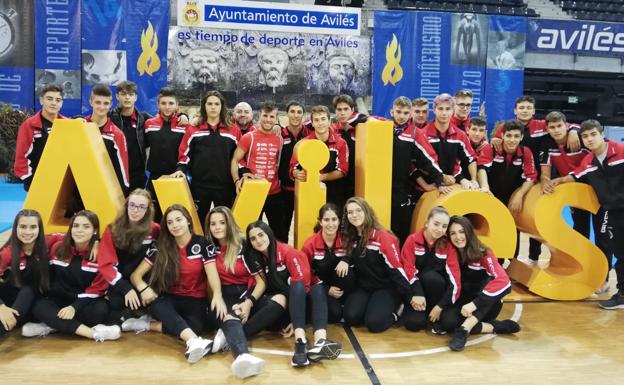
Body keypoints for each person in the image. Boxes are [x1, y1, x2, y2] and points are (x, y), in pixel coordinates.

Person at [128, 205, 221, 363]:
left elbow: (212, 275)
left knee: (196, 327)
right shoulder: (160, 245)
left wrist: (217, 295)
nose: (175, 225)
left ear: (188, 221)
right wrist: (144, 289)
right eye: (170, 222)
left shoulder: (203, 243)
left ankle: (148, 325)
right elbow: (135, 275)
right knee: (157, 304)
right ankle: (193, 341)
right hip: (169, 298)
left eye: (179, 220)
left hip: (195, 299)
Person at [491, 96, 579, 263]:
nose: (525, 110)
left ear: (533, 111)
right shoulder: (504, 127)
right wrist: (494, 140)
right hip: (513, 179)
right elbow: (496, 144)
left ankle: (533, 257)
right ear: (515, 110)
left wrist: (574, 130)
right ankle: (507, 256)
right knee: (512, 217)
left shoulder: (542, 126)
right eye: (521, 107)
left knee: (535, 218)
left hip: (538, 179)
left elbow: (563, 125)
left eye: (528, 107)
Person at [246, 220, 340, 367]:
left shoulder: (288, 252)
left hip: (299, 305)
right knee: (300, 290)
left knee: (314, 287)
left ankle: (313, 342)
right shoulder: (254, 258)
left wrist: (294, 319)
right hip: (279, 309)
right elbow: (256, 286)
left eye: (260, 235)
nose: (258, 240)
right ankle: (302, 341)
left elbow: (303, 287)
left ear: (269, 234)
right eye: (253, 238)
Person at [552, 120, 624, 310]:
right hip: (612, 211)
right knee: (619, 251)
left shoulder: (621, 151)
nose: (589, 139)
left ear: (602, 134)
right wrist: (556, 182)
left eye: (593, 134)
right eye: (585, 136)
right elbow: (574, 176)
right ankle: (622, 293)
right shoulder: (588, 161)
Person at [540, 112, 611, 294]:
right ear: (547, 129)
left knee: (603, 237)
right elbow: (546, 173)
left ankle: (604, 278)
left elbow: (585, 168)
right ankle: (583, 272)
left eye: (560, 126)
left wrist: (574, 130)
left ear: (567, 125)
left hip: (600, 196)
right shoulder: (548, 145)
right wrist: (546, 181)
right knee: (580, 234)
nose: (556, 130)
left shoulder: (582, 139)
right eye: (552, 127)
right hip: (576, 196)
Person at [25, 210, 121, 341]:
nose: (79, 230)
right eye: (76, 226)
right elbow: (45, 238)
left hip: (84, 303)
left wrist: (74, 307)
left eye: (86, 226)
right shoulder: (57, 248)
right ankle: (93, 333)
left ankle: (53, 325)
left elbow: (98, 289)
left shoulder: (100, 254)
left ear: (95, 230)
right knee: (39, 306)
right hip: (58, 301)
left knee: (101, 310)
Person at [442, 216, 520, 351]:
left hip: (486, 305)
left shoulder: (484, 253)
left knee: (490, 282)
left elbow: (504, 282)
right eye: (453, 233)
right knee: (447, 322)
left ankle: (464, 330)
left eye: (461, 232)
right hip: (464, 305)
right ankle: (494, 327)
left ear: (469, 232)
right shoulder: (451, 253)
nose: (458, 237)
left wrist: (475, 304)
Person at [204, 206, 266, 378]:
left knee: (234, 315)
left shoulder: (243, 245)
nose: (217, 227)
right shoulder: (208, 247)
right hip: (223, 293)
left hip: (248, 292)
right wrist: (215, 298)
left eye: (222, 223)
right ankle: (242, 356)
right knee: (225, 314)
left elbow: (261, 282)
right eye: (213, 224)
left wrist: (248, 301)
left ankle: (236, 347)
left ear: (229, 223)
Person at [341, 197, 413, 333]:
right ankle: (372, 307)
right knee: (350, 317)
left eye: (358, 210)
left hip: (385, 288)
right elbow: (348, 254)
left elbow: (397, 270)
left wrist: (410, 296)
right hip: (364, 288)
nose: (354, 215)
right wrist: (345, 259)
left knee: (374, 323)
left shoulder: (384, 238)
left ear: (367, 212)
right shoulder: (351, 237)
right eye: (350, 212)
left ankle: (397, 310)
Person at [172, 91, 241, 223]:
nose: (213, 107)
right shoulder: (193, 129)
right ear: (204, 106)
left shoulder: (234, 130)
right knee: (198, 222)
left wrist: (241, 175)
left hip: (225, 186)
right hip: (199, 186)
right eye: (209, 104)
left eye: (216, 104)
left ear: (222, 107)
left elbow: (239, 158)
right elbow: (184, 154)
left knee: (224, 223)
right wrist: (180, 169)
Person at [387, 97, 447, 245]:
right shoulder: (381, 127)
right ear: (392, 111)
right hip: (377, 189)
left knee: (399, 230)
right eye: (398, 112)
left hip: (401, 190)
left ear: (410, 114)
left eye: (406, 113)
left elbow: (429, 160)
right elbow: (362, 118)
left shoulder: (414, 134)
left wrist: (439, 181)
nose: (401, 116)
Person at [97, 189, 160, 324]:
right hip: (120, 283)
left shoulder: (155, 230)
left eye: (141, 207)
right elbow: (106, 265)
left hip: (144, 281)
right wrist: (126, 289)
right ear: (126, 206)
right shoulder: (112, 230)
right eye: (132, 205)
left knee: (156, 305)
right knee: (114, 308)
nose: (135, 210)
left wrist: (143, 287)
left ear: (148, 210)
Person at [478, 120, 537, 260]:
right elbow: (482, 169)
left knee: (512, 233)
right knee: (492, 232)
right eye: (509, 136)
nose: (512, 140)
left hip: (512, 201)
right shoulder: (491, 149)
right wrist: (485, 187)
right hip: (491, 198)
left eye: (516, 136)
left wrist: (519, 195)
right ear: (502, 136)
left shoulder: (525, 152)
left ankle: (511, 267)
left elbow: (531, 178)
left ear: (522, 137)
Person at [231, 101, 286, 242]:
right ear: (259, 116)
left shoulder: (279, 138)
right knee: (251, 233)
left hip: (274, 192)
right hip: (253, 191)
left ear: (276, 118)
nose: (268, 120)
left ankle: (277, 261)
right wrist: (237, 180)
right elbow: (235, 160)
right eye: (265, 116)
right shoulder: (249, 137)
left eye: (272, 117)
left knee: (278, 233)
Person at [400, 206, 461, 333]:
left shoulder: (448, 246)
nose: (440, 229)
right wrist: (416, 295)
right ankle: (414, 309)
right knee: (413, 324)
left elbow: (455, 280)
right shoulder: (412, 240)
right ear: (427, 223)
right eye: (436, 224)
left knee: (431, 277)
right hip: (416, 292)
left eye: (444, 226)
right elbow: (407, 270)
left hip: (438, 294)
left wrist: (440, 306)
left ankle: (434, 312)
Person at [0, 210, 53, 338]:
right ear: (15, 228)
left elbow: (76, 236)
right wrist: (1, 307)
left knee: (30, 291)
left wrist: (96, 242)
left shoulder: (49, 243)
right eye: (23, 227)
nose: (28, 232)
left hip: (32, 303)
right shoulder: (6, 254)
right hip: (9, 303)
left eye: (33, 227)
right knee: (28, 290)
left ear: (40, 229)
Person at [301, 203, 356, 323]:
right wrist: (327, 289)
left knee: (349, 274)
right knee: (334, 315)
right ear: (320, 222)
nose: (330, 224)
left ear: (339, 220)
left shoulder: (347, 239)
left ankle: (346, 302)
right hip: (322, 286)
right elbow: (305, 273)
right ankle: (334, 306)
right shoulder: (309, 245)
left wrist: (346, 259)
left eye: (334, 219)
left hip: (343, 286)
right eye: (326, 220)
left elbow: (356, 254)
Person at [291, 105, 349, 209]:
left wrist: (322, 177)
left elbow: (343, 170)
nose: (320, 123)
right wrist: (296, 173)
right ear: (312, 123)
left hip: (334, 195)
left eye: (323, 119)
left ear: (329, 121)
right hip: (309, 194)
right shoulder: (303, 144)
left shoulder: (341, 143)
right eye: (316, 120)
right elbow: (292, 167)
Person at [144, 88, 189, 220]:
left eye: (171, 103)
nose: (167, 107)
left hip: (175, 176)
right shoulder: (149, 124)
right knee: (152, 215)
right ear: (158, 104)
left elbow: (187, 151)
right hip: (154, 177)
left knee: (175, 215)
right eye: (163, 103)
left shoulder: (184, 126)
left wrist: (184, 115)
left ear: (177, 106)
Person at [421, 93, 479, 190]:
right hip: (428, 186)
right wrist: (441, 177)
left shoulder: (460, 135)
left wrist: (473, 179)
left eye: (448, 109)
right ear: (434, 110)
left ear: (453, 111)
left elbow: (471, 159)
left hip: (452, 184)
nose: (444, 113)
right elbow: (420, 164)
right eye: (440, 109)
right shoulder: (423, 134)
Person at [14, 84, 64, 191]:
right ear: (41, 100)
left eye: (58, 100)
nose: (54, 103)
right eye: (49, 99)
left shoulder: (68, 125)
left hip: (62, 183)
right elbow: (21, 155)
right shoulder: (29, 125)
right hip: (36, 183)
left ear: (61, 103)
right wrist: (28, 179)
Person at [85, 84, 130, 196]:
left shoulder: (116, 134)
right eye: (98, 102)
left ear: (111, 104)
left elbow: (123, 172)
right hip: (79, 191)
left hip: (105, 194)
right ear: (91, 102)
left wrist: (122, 197)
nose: (101, 107)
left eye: (106, 103)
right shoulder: (80, 126)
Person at [109, 81, 152, 191]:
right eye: (123, 94)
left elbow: (163, 120)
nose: (127, 98)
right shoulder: (109, 117)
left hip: (137, 175)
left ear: (136, 97)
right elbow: (91, 119)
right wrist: (79, 118)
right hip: (114, 173)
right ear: (117, 96)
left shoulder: (144, 118)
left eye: (131, 94)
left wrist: (182, 115)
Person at [279, 101, 309, 238]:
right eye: (292, 112)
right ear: (287, 114)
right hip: (284, 190)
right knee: (282, 229)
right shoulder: (279, 133)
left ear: (303, 115)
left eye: (299, 112)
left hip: (306, 188)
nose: (295, 115)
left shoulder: (310, 133)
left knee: (307, 227)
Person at [332, 95, 369, 202]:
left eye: (346, 109)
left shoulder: (360, 129)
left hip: (356, 183)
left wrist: (364, 118)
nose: (342, 113)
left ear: (352, 110)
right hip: (335, 183)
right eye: (339, 109)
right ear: (335, 111)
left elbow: (380, 121)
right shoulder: (331, 130)